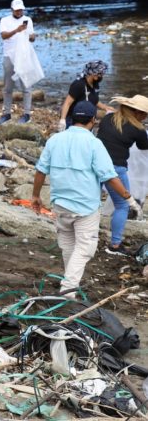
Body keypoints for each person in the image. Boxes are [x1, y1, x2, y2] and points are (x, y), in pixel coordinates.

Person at [31, 101, 141, 295]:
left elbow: (40, 171)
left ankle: (69, 282)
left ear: (72, 118)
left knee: (68, 245)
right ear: (93, 120)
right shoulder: (94, 143)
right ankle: (68, 290)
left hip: (60, 204)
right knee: (85, 249)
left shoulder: (55, 140)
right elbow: (110, 177)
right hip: (85, 207)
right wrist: (129, 199)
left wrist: (35, 195)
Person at [96, 95, 148, 255]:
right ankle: (115, 245)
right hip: (115, 170)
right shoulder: (138, 129)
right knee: (123, 205)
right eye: (145, 113)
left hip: (94, 164)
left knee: (91, 202)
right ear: (137, 112)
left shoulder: (108, 118)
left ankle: (84, 235)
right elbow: (143, 146)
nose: (146, 117)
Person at [0, 0, 37, 124]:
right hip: (9, 55)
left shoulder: (28, 20)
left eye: (21, 9)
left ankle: (27, 113)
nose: (19, 12)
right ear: (12, 10)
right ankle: (7, 113)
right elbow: (3, 36)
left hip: (24, 56)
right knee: (8, 87)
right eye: (17, 10)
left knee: (26, 87)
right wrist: (17, 30)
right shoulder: (5, 20)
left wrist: (31, 36)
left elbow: (31, 37)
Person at [59, 60, 114, 131]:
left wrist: (105, 108)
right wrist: (62, 120)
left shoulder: (95, 84)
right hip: (73, 119)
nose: (102, 76)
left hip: (88, 118)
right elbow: (67, 103)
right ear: (93, 74)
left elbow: (94, 100)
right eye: (100, 74)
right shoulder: (78, 85)